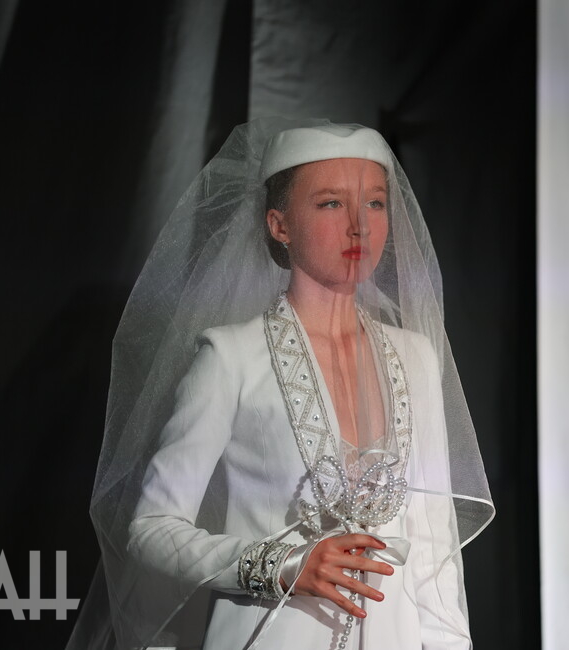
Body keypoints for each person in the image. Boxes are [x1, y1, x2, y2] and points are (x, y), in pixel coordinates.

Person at [67, 118, 493, 650]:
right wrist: (280, 565)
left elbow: (432, 548)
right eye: (331, 203)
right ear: (279, 224)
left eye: (375, 203)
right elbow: (151, 527)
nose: (359, 226)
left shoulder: (416, 358)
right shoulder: (231, 357)